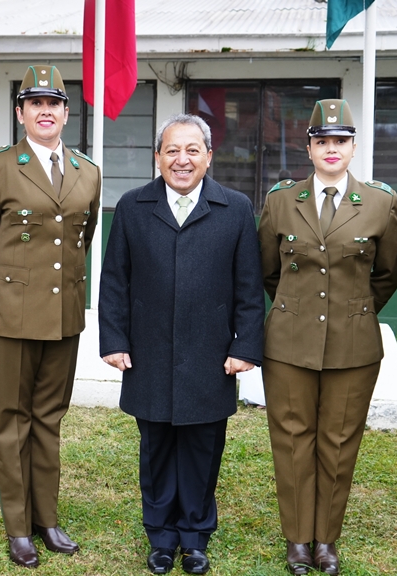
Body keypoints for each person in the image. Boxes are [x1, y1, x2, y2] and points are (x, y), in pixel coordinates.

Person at [99, 113, 265, 575]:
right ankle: (160, 537)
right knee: (156, 449)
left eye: (192, 150)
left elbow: (248, 288)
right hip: (148, 354)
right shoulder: (133, 207)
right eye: (172, 150)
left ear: (209, 156)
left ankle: (194, 537)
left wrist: (245, 347)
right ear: (158, 157)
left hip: (211, 358)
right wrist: (113, 340)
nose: (182, 159)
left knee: (201, 449)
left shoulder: (234, 208)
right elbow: (114, 280)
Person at [258, 99, 397, 576]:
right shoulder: (281, 200)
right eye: (322, 141)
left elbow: (386, 274)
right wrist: (299, 309)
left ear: (353, 146)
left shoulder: (381, 202)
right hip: (289, 342)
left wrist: (351, 312)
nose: (331, 149)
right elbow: (268, 270)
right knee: (293, 440)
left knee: (340, 443)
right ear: (309, 147)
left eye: (340, 141)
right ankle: (298, 539)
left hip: (352, 343)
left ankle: (326, 540)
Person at [0, 65, 101, 569]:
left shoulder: (88, 171)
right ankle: (18, 528)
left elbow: (78, 241)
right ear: (21, 113)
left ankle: (48, 518)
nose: (46, 111)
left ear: (66, 112)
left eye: (55, 103)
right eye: (35, 103)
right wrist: (6, 293)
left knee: (49, 419)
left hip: (64, 317)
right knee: (11, 422)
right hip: (11, 318)